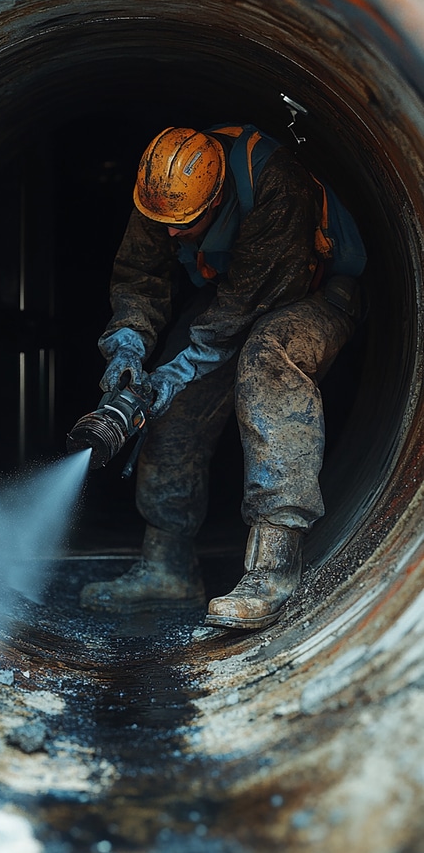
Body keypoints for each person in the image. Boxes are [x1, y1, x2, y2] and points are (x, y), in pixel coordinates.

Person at [79, 123, 366, 631]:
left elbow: (245, 307)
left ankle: (273, 569)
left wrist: (174, 372)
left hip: (310, 291)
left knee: (267, 357)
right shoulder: (163, 199)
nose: (170, 234)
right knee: (167, 404)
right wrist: (127, 346)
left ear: (216, 200)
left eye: (183, 226)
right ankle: (167, 567)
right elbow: (138, 278)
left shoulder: (276, 182)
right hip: (230, 297)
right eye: (161, 222)